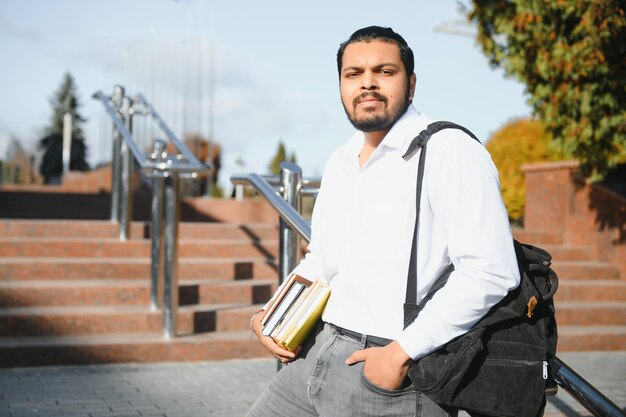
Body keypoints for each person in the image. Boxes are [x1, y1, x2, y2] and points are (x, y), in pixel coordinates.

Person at [247, 26, 520, 417]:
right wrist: (272, 314)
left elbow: (491, 270)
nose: (367, 84)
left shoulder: (448, 149)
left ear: (410, 84)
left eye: (384, 72)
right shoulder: (341, 160)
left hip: (389, 373)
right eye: (353, 74)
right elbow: (322, 260)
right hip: (314, 354)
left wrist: (399, 355)